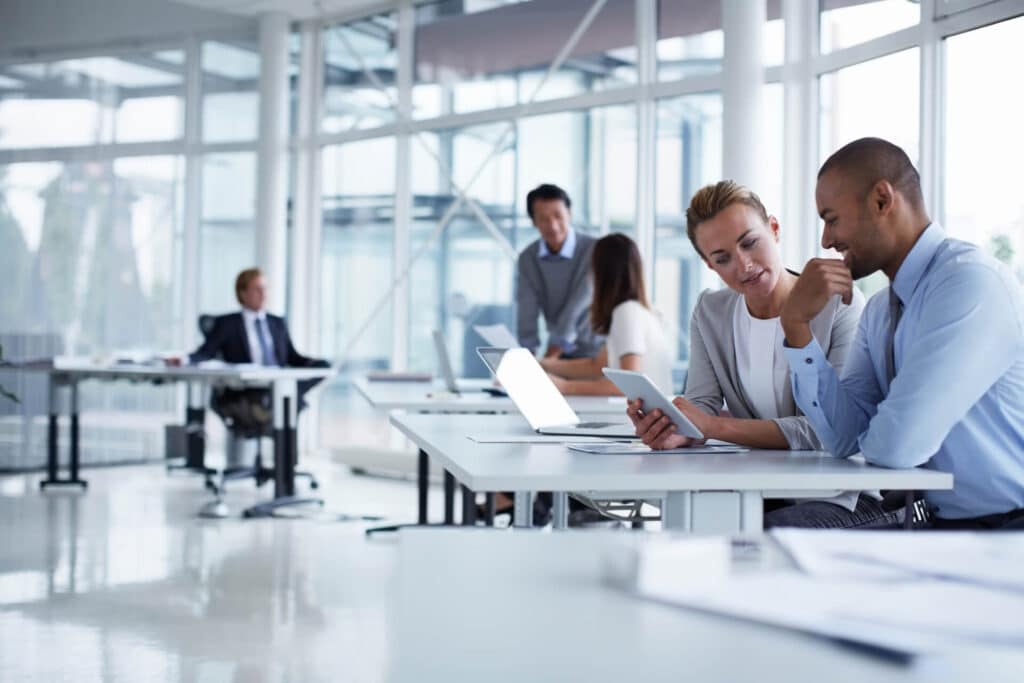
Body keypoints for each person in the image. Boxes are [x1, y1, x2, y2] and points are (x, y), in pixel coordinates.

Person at [778, 137, 1024, 530]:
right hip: (945, 529)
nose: (825, 240)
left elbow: (896, 447)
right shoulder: (879, 311)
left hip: (1009, 533)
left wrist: (875, 432)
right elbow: (843, 438)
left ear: (881, 200)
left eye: (831, 218)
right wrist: (796, 327)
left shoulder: (969, 284)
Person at [627, 180, 896, 528]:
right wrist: (677, 428)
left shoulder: (839, 304)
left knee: (748, 536)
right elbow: (701, 406)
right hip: (763, 490)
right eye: (722, 258)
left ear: (774, 229)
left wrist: (714, 426)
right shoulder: (711, 311)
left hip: (842, 496)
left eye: (750, 243)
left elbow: (829, 430)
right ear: (710, 266)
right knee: (693, 525)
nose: (743, 265)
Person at [180, 268, 328, 430]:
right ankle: (284, 398)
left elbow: (292, 357)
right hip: (247, 388)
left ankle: (285, 395)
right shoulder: (228, 323)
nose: (263, 294)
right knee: (285, 400)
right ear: (243, 293)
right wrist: (184, 360)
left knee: (319, 370)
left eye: (265, 289)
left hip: (276, 382)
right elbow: (205, 353)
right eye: (257, 289)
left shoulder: (277, 323)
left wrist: (318, 363)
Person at [541, 233, 673, 396]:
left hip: (641, 418)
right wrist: (543, 365)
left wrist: (565, 387)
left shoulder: (627, 313)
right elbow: (597, 365)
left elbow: (629, 386)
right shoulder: (638, 311)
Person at [516, 184, 603, 359]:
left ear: (569, 214)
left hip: (597, 351)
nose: (553, 226)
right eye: (543, 219)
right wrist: (526, 358)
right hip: (560, 352)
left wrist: (551, 355)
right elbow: (527, 309)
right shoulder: (528, 258)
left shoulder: (594, 250)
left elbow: (578, 304)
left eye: (558, 216)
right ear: (533, 222)